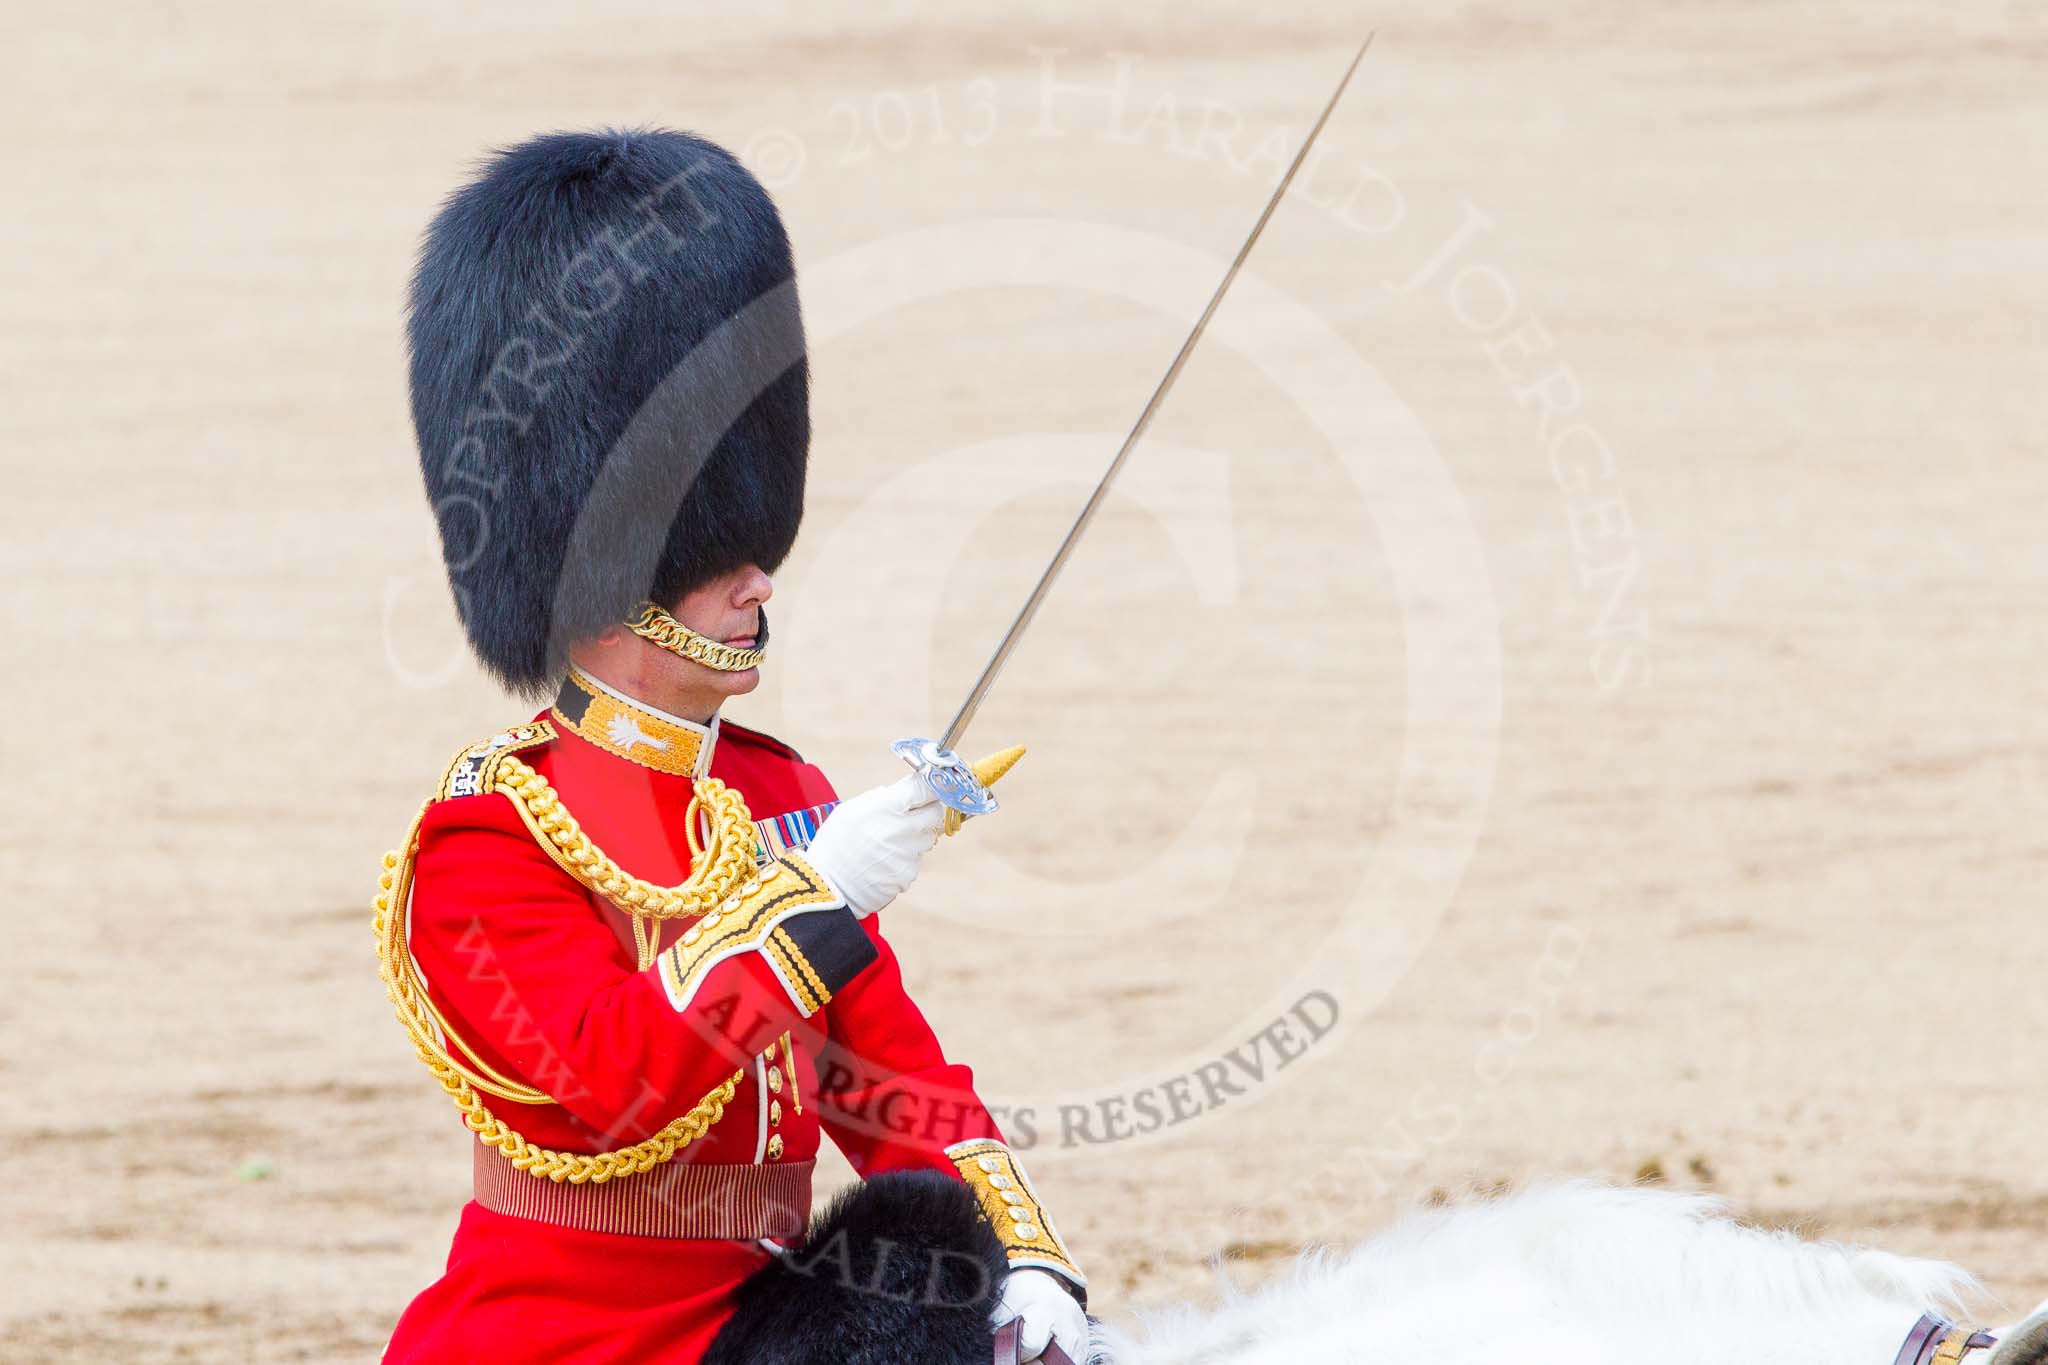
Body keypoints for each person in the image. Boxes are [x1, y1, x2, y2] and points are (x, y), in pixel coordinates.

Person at [376, 128, 1087, 1364]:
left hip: (765, 1324)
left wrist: (1026, 1253)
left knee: (930, 1245)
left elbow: (888, 1077)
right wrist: (814, 896)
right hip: (562, 1344)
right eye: (713, 548)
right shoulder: (488, 837)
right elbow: (614, 1084)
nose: (758, 573)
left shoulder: (774, 789)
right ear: (601, 575)